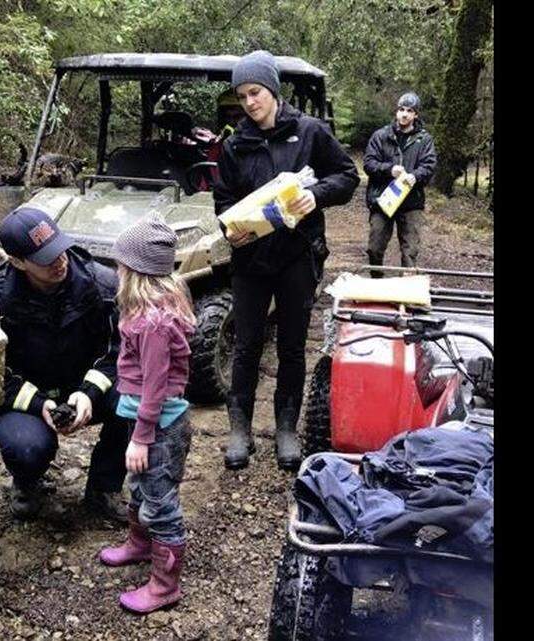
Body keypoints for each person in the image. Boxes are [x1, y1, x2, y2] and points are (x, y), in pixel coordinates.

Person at [213, 50, 359, 471]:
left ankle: (286, 429)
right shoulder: (235, 145)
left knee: (292, 346)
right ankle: (239, 429)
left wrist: (316, 195)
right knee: (246, 345)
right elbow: (222, 199)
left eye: (255, 92)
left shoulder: (309, 132)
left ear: (273, 90)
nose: (249, 102)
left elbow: (347, 176)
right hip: (251, 260)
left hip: (298, 256)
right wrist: (229, 228)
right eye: (242, 95)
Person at [0, 206, 129, 522]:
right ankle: (27, 482)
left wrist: (88, 392)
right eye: (46, 258)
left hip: (84, 386)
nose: (60, 261)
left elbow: (121, 349)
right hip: (28, 398)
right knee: (25, 447)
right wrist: (38, 404)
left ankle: (104, 487)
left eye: (60, 249)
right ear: (17, 262)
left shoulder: (103, 284)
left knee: (135, 402)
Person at [97, 215, 195, 614]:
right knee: (140, 487)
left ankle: (165, 586)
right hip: (145, 419)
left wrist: (141, 437)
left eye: (120, 265)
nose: (116, 271)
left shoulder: (153, 323)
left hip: (159, 427)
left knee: (160, 501)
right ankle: (139, 544)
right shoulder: (144, 313)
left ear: (134, 271)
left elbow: (155, 386)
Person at [362, 92, 438, 277]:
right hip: (383, 200)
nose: (404, 114)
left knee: (410, 251)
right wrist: (389, 169)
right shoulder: (381, 135)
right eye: (401, 109)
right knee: (374, 247)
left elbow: (429, 165)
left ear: (415, 114)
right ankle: (376, 282)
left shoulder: (424, 139)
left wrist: (415, 176)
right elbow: (369, 163)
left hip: (411, 202)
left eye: (409, 111)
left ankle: (406, 288)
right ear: (396, 111)